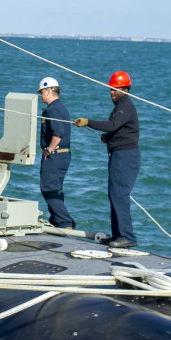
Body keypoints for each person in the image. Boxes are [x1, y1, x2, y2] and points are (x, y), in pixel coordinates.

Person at [74, 70, 140, 248]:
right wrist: (109, 138)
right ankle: (118, 235)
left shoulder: (125, 105)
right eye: (111, 89)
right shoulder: (120, 106)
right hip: (119, 155)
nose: (112, 93)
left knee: (120, 195)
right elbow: (121, 130)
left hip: (126, 157)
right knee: (114, 195)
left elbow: (112, 125)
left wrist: (88, 122)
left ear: (125, 89)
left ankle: (127, 236)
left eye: (116, 90)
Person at [37, 77, 74, 230]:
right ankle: (55, 221)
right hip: (62, 155)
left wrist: (49, 150)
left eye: (41, 92)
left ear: (48, 91)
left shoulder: (54, 109)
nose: (40, 95)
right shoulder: (58, 108)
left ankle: (65, 223)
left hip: (55, 155)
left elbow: (57, 134)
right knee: (55, 189)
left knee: (48, 188)